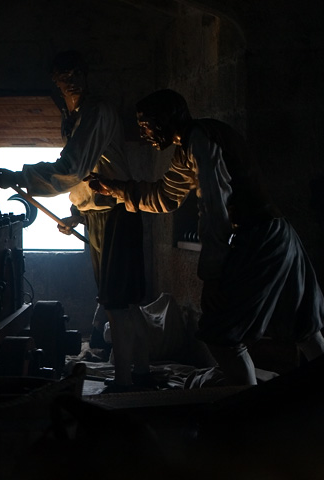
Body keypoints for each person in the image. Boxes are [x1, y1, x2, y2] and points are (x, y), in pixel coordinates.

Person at [90, 88, 324, 386]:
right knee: (304, 329)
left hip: (260, 239)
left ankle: (248, 411)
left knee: (221, 335)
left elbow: (214, 207)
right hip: (278, 236)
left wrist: (212, 273)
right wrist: (116, 189)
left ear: (164, 119)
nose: (143, 132)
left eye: (146, 124)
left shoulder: (201, 140)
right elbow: (166, 195)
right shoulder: (188, 146)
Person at [0, 50, 152, 391]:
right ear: (56, 83)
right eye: (64, 78)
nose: (71, 82)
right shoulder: (77, 117)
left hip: (115, 216)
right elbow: (90, 174)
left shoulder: (97, 112)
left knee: (117, 304)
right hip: (100, 216)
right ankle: (141, 372)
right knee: (122, 302)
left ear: (86, 75)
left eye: (75, 74)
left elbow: (73, 167)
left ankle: (126, 381)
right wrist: (77, 214)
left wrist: (21, 178)